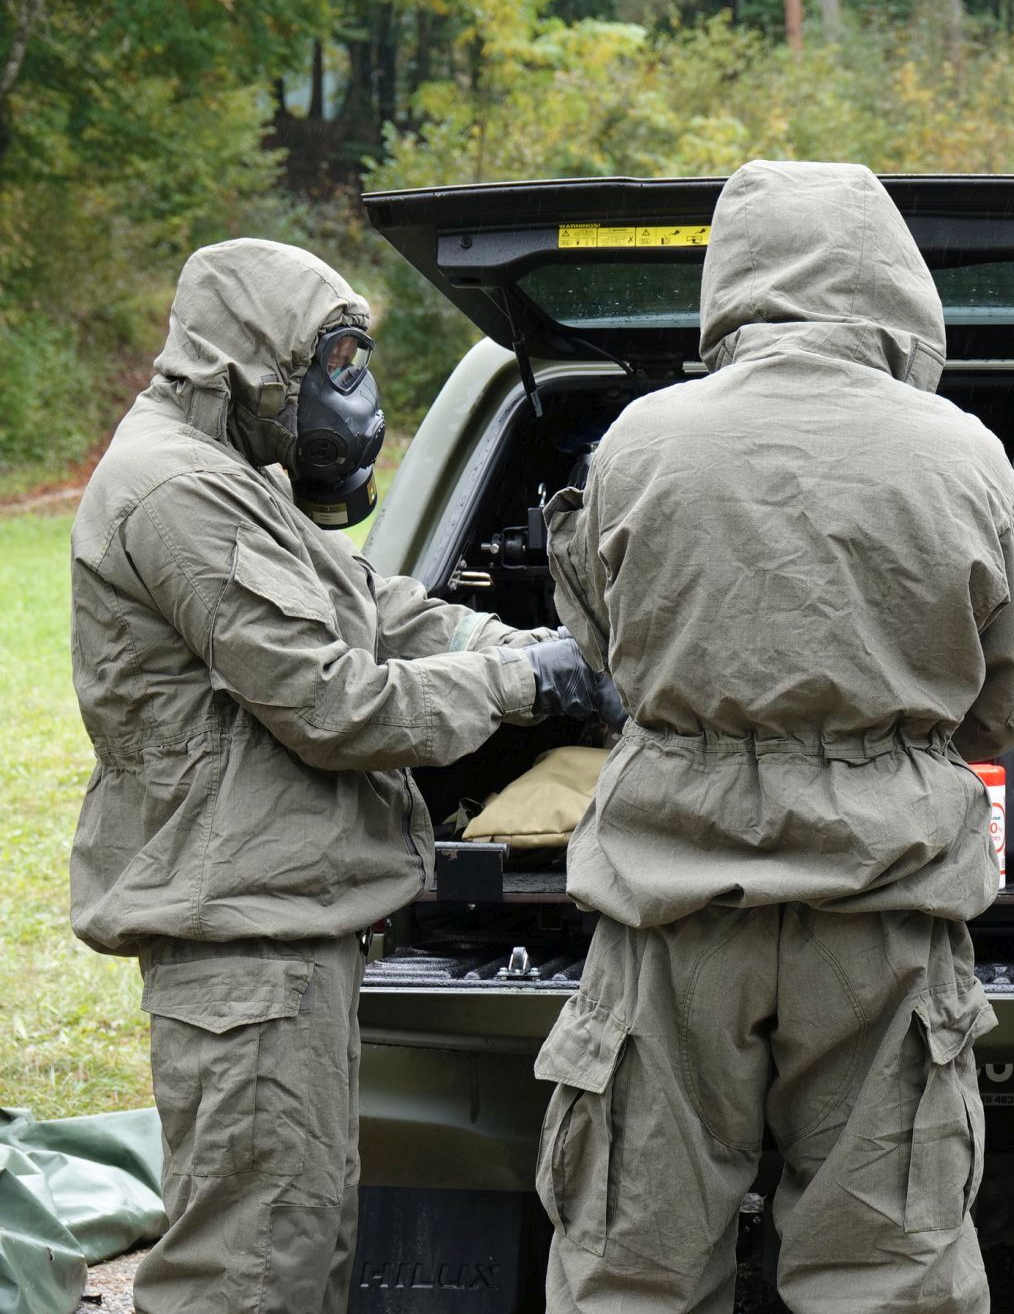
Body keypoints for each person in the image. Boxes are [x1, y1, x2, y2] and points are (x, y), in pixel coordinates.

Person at [534, 159, 1014, 1314]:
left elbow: (602, 647)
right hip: (881, 910)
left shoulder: (637, 441)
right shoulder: (961, 452)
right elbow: (1010, 700)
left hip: (671, 904)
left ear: (731, 281)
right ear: (894, 282)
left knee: (631, 1263)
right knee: (887, 1268)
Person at [68, 238, 614, 1313]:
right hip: (244, 941)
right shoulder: (176, 491)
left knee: (302, 1244)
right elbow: (331, 702)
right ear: (252, 363)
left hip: (282, 927)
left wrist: (537, 646)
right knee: (248, 1270)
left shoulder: (235, 477)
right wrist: (528, 680)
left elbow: (371, 605)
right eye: (330, 364)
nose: (348, 396)